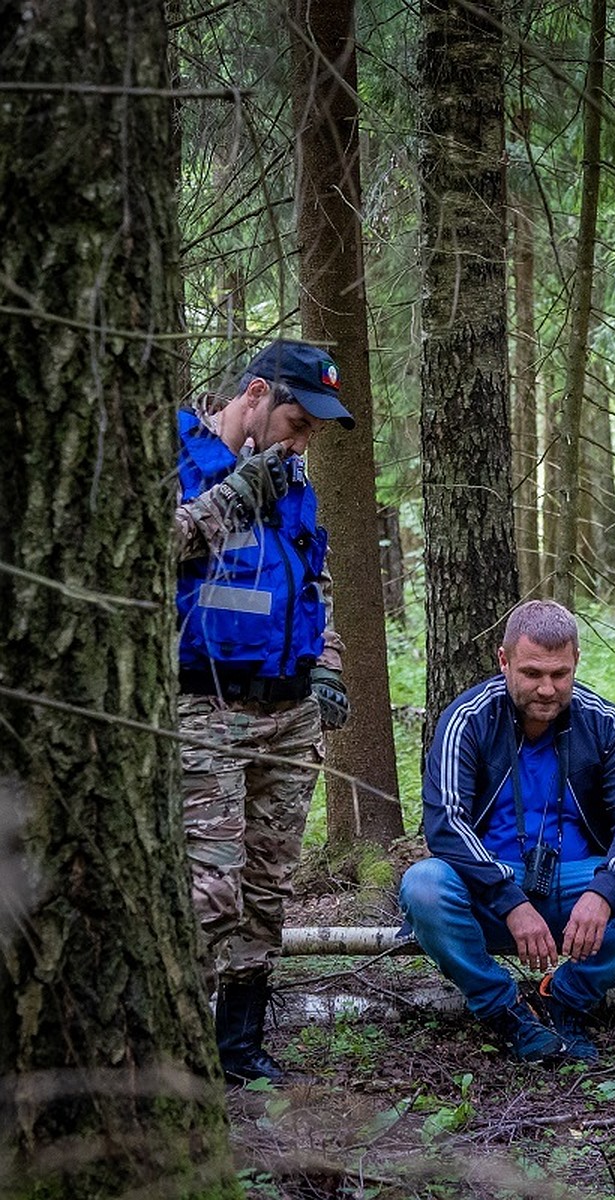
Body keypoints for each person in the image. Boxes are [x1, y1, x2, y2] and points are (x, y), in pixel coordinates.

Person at [399, 600, 615, 1064]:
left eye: (560, 674)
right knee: (424, 886)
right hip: (491, 888)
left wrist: (605, 893)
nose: (547, 689)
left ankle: (564, 997)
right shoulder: (468, 719)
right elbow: (446, 824)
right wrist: (510, 902)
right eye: (532, 672)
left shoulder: (603, 721)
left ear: (575, 662)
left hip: (577, 885)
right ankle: (504, 1009)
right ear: (504, 661)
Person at [174, 339, 356, 1084]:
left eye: (314, 428)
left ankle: (239, 1050)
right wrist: (235, 494)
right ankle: (168, 1043)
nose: (304, 438)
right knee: (210, 890)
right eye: (297, 419)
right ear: (254, 394)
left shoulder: (293, 486)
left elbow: (313, 589)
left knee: (264, 892)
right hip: (204, 707)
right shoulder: (183, 459)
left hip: (288, 714)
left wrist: (330, 668)